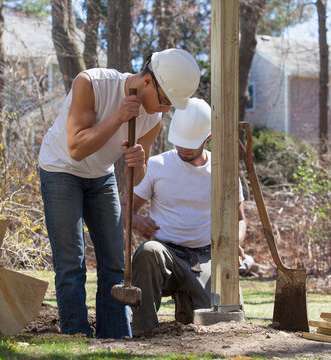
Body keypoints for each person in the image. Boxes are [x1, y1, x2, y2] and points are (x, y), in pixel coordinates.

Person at [38, 49, 201, 339]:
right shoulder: (91, 83)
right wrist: (118, 117)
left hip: (100, 176)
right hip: (61, 170)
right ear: (148, 81)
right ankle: (76, 335)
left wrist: (137, 163)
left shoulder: (153, 119)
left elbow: (137, 177)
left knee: (115, 261)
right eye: (165, 101)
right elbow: (75, 148)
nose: (164, 110)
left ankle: (115, 337)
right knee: (71, 260)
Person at [122, 98, 247, 337]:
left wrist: (234, 244)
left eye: (190, 144)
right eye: (180, 143)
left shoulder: (223, 172)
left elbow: (240, 219)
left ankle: (187, 305)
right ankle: (143, 331)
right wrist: (137, 221)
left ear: (208, 138)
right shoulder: (157, 166)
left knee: (223, 325)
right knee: (148, 251)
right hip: (164, 252)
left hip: (204, 256)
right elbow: (126, 206)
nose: (183, 149)